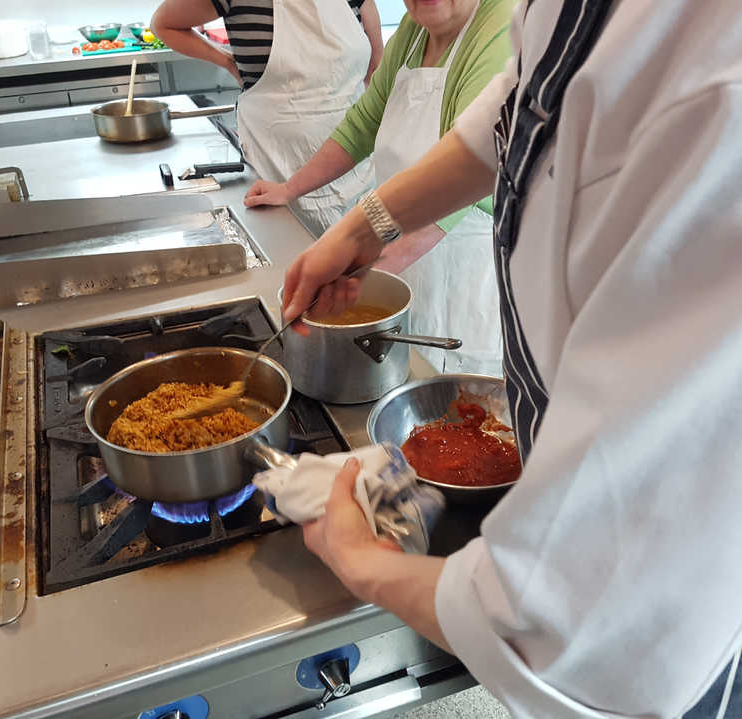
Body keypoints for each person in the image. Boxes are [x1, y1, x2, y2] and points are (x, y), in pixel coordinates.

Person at [280, 1, 742, 717]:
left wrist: (360, 562)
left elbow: (579, 620)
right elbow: (521, 102)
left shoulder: (717, 81)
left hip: (679, 654)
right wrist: (368, 222)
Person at [245, 0, 513, 375]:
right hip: (402, 255)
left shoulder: (502, 24)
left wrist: (362, 263)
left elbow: (463, 178)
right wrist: (291, 189)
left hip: (460, 268)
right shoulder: (414, 27)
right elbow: (364, 123)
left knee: (453, 396)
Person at [150, 0, 383, 237]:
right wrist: (227, 61)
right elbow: (164, 24)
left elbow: (376, 71)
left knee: (365, 264)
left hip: (358, 173)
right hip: (275, 172)